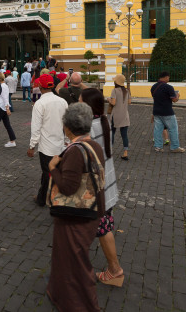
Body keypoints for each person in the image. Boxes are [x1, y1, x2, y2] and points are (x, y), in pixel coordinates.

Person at [46, 102, 106, 311]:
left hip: (76, 215)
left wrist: (53, 168)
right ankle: (62, 295)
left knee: (77, 263)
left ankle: (83, 304)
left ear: (68, 127)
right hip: (91, 211)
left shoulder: (74, 151)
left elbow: (68, 187)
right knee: (69, 258)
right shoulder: (94, 145)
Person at [81, 88, 124, 286]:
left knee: (103, 228)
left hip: (97, 188)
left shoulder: (90, 128)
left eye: (80, 102)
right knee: (100, 227)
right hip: (106, 185)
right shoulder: (103, 120)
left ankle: (115, 270)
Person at [27, 73, 69, 206]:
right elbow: (67, 123)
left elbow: (36, 128)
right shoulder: (62, 101)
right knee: (54, 172)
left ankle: (46, 198)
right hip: (60, 144)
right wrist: (67, 140)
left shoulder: (40, 103)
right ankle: (45, 196)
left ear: (39, 86)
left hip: (46, 147)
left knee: (47, 174)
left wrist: (32, 146)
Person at [151, 71, 185, 153]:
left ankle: (158, 147)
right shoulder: (169, 87)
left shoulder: (153, 87)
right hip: (167, 112)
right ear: (166, 77)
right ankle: (175, 147)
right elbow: (174, 100)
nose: (168, 79)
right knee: (173, 129)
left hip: (156, 111)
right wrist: (178, 96)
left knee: (158, 130)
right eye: (168, 77)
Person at [109, 74, 131, 161]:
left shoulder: (114, 90)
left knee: (112, 133)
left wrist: (108, 100)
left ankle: (109, 151)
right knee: (124, 135)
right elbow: (129, 102)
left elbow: (113, 103)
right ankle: (125, 153)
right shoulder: (127, 91)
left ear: (116, 82)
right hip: (125, 115)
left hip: (116, 115)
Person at [0, 72, 17, 148]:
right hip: (3, 108)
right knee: (7, 125)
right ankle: (12, 140)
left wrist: (7, 108)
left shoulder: (2, 86)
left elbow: (5, 98)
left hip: (1, 107)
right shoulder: (4, 85)